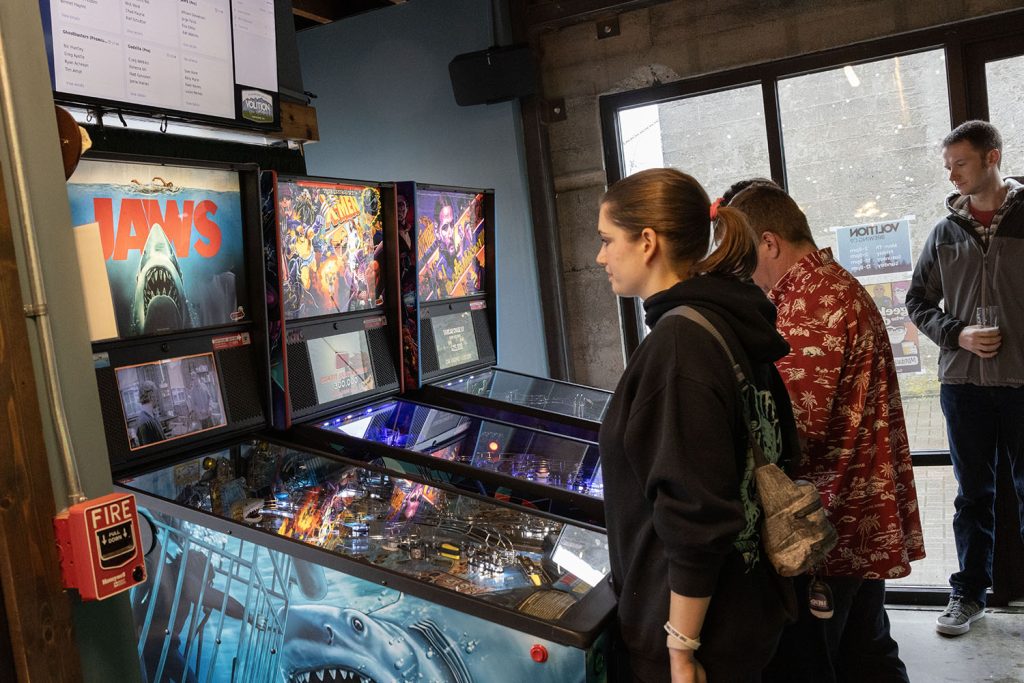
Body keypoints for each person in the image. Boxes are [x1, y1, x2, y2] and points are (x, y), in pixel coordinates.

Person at [596, 168, 800, 682]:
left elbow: (695, 517)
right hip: (748, 605)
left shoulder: (681, 343)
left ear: (647, 242)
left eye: (606, 240)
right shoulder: (729, 321)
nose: (600, 257)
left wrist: (681, 650)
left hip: (701, 633)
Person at [728, 184, 924, 681]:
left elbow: (795, 431)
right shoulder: (832, 285)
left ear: (769, 243)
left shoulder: (812, 305)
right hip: (857, 518)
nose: (745, 274)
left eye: (745, 258)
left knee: (822, 662)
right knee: (868, 652)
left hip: (830, 522)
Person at [906, 119, 1024, 636]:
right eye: (948, 165)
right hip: (963, 386)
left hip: (1022, 382)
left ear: (992, 157)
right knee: (971, 495)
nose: (952, 174)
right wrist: (957, 334)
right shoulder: (944, 232)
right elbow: (917, 301)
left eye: (962, 163)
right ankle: (968, 596)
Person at [135, 380, 165, 446]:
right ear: (151, 396)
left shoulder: (153, 416)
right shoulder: (143, 422)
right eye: (156, 395)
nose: (157, 399)